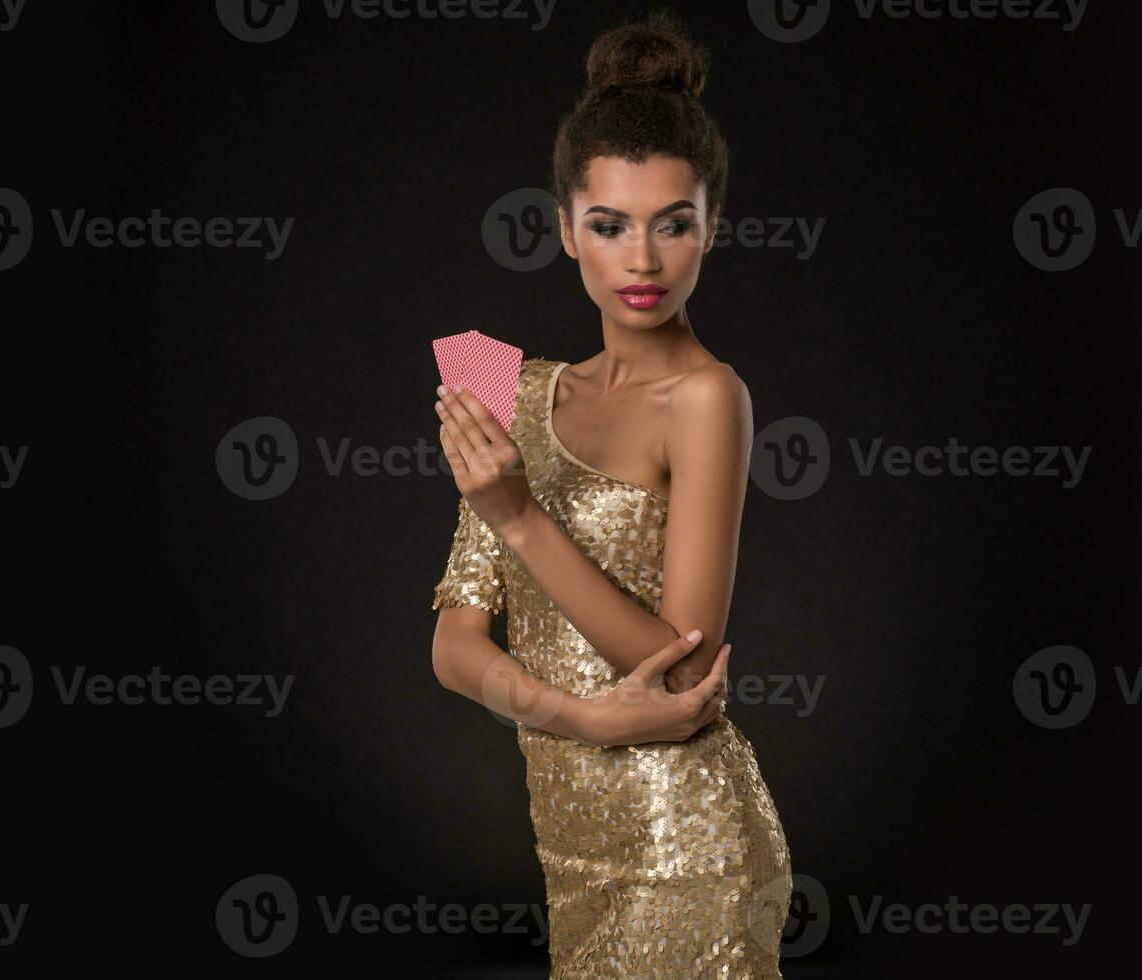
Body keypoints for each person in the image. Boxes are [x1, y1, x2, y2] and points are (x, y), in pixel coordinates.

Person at [429, 10, 792, 977]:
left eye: (674, 225)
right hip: (570, 849)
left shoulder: (709, 397)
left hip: (688, 848)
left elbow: (685, 665)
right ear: (563, 230)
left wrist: (518, 515)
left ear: (712, 229)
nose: (642, 261)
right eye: (610, 225)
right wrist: (580, 718)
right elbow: (453, 646)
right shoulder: (509, 385)